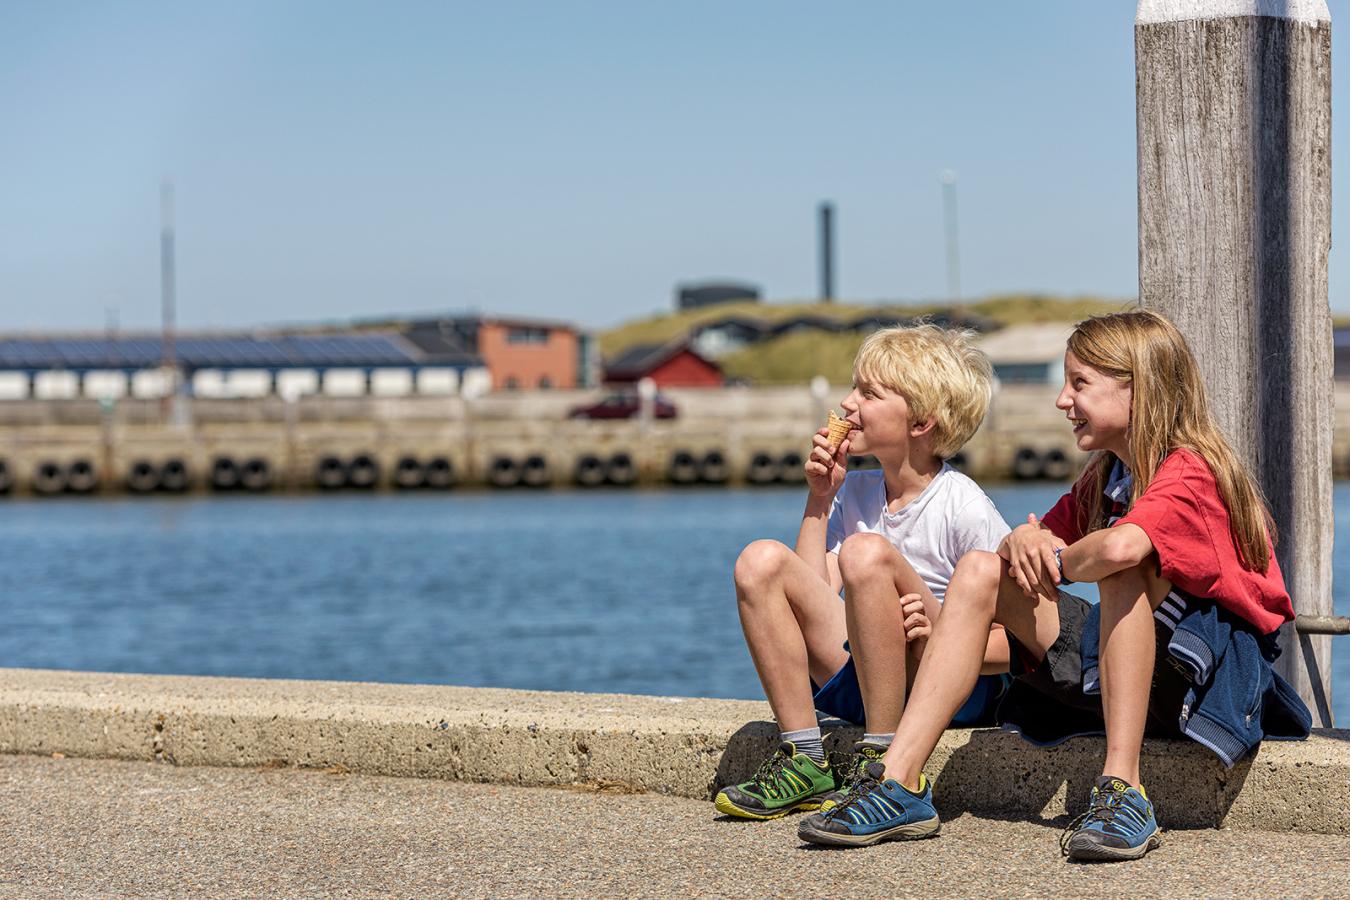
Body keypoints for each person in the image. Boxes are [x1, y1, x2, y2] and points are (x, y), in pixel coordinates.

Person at [798, 310, 1311, 860]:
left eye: (1080, 384)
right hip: (1118, 668)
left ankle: (1124, 791)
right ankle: (899, 782)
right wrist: (1024, 537)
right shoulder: (1108, 474)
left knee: (1119, 566)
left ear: (1140, 388)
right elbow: (1028, 537)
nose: (1063, 400)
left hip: (1204, 681)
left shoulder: (1190, 471)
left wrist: (1055, 559)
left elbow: (1117, 549)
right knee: (977, 568)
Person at [715, 323, 1012, 821]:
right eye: (854, 387)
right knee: (759, 560)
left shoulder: (963, 505)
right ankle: (805, 758)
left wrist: (939, 629)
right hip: (861, 678)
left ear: (921, 423)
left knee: (866, 553)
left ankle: (883, 761)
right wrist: (820, 498)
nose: (848, 403)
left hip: (940, 691)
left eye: (869, 393)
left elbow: (1015, 645)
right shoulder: (854, 492)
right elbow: (815, 595)